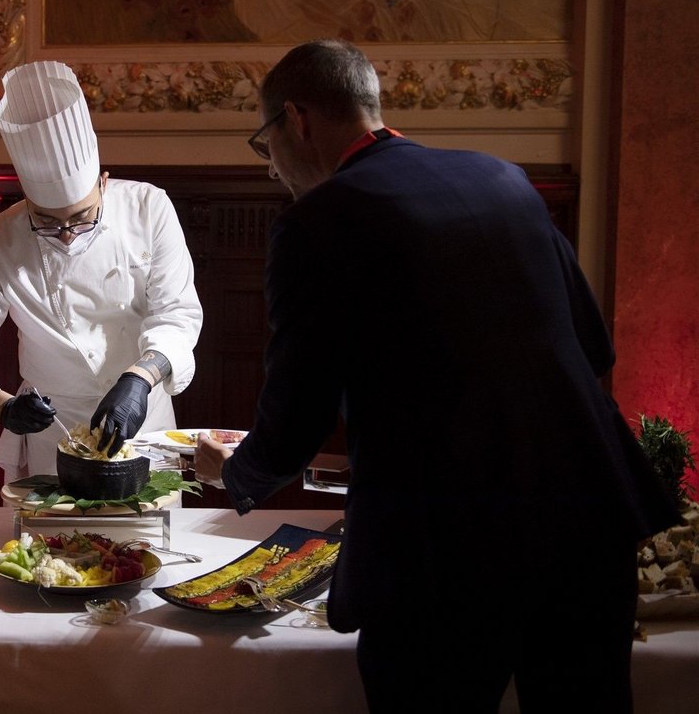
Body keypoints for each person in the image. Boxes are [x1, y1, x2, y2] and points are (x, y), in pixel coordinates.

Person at [192, 40, 679, 713]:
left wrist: (234, 473)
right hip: (588, 519)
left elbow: (297, 419)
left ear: (296, 120)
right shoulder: (502, 177)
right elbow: (594, 348)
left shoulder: (316, 224)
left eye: (263, 143)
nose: (271, 166)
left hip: (443, 551)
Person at [0, 60, 203, 480]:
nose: (67, 235)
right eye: (46, 221)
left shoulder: (149, 208)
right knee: (50, 525)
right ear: (27, 202)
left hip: (143, 418)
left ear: (103, 182)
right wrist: (4, 407)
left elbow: (177, 315)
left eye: (81, 218)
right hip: (52, 434)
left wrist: (140, 378)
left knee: (149, 522)